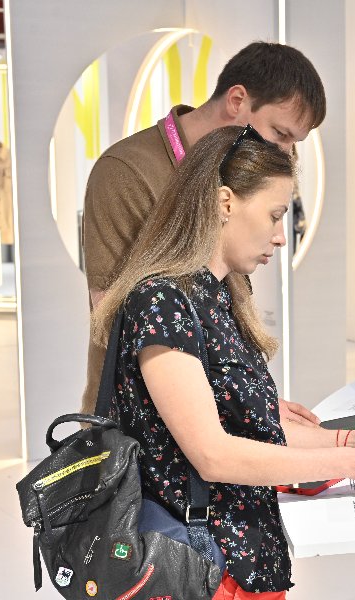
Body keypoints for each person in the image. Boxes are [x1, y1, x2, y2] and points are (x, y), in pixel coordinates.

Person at [91, 126, 355, 598]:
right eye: (274, 215)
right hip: (204, 566)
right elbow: (214, 455)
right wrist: (354, 462)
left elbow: (253, 428)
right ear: (225, 202)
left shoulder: (214, 296)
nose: (280, 237)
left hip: (240, 557)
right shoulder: (162, 303)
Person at [82, 42, 324, 424]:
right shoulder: (126, 172)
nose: (285, 153)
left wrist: (250, 399)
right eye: (279, 133)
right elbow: (112, 313)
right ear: (237, 100)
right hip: (142, 424)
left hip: (219, 411)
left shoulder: (237, 167)